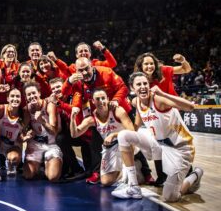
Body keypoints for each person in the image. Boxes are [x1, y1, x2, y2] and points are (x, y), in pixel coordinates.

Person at [112, 72, 203, 201]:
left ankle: (194, 175)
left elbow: (190, 107)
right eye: (139, 84)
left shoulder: (158, 100)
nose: (143, 86)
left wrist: (163, 93)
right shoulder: (136, 102)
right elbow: (136, 126)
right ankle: (133, 186)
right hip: (160, 145)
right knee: (123, 136)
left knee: (170, 197)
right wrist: (117, 137)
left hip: (181, 148)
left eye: (145, 83)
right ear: (132, 88)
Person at [134, 52, 192, 185]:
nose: (149, 66)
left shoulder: (164, 70)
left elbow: (186, 69)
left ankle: (187, 170)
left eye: (151, 63)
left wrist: (182, 60)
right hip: (155, 112)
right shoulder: (141, 80)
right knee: (157, 142)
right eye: (146, 64)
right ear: (140, 66)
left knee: (173, 142)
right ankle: (161, 175)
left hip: (172, 110)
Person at [70, 89, 140, 186]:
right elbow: (74, 134)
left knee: (126, 143)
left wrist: (114, 135)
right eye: (97, 99)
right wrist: (72, 117)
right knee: (105, 181)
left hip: (125, 144)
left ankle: (129, 169)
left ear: (107, 99)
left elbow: (132, 132)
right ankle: (129, 168)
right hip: (110, 148)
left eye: (103, 98)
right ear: (93, 101)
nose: (101, 101)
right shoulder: (91, 118)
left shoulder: (117, 111)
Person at [22, 82, 62, 182]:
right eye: (29, 94)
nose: (32, 96)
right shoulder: (27, 109)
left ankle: (48, 163)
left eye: (34, 93)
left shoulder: (49, 105)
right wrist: (27, 134)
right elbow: (23, 129)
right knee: (28, 175)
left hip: (51, 144)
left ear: (39, 93)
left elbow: (54, 131)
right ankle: (39, 162)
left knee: (52, 177)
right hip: (36, 144)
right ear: (26, 97)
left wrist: (42, 121)